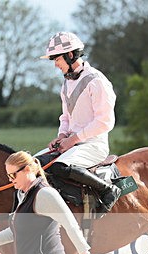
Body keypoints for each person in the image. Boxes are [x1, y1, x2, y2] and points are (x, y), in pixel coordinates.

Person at [39, 31, 121, 214]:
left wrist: (73, 139)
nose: (55, 64)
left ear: (70, 55)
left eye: (56, 59)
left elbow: (105, 122)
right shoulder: (66, 83)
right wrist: (61, 135)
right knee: (34, 164)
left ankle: (108, 190)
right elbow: (66, 117)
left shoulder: (97, 81)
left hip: (93, 146)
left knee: (61, 167)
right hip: (72, 144)